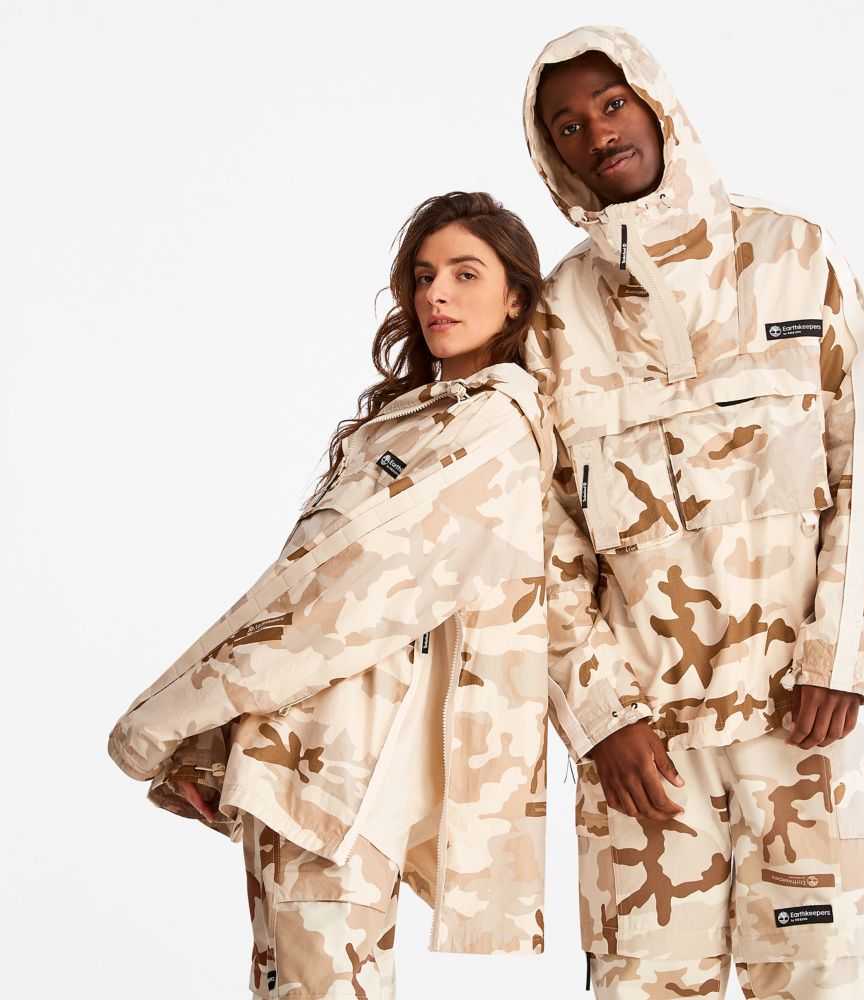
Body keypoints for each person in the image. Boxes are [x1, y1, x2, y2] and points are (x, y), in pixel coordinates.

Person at [108, 191, 556, 999]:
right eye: (424, 276)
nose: (437, 295)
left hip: (349, 784)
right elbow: (293, 591)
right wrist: (214, 743)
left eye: (465, 273)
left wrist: (166, 718)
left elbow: (345, 605)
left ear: (516, 298)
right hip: (297, 768)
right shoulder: (409, 422)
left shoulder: (492, 428)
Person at [521, 27, 864, 1000]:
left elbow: (861, 463)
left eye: (611, 104)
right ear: (553, 157)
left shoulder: (795, 257)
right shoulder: (558, 317)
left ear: (655, 103)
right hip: (645, 750)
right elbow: (540, 538)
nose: (598, 133)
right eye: (568, 126)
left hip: (800, 724)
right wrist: (600, 716)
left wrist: (839, 657)